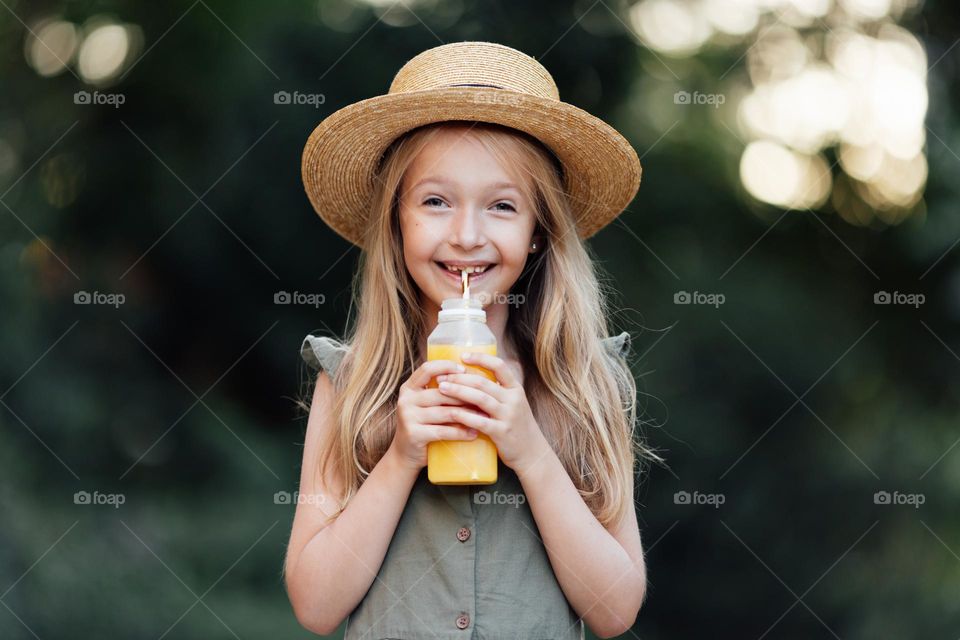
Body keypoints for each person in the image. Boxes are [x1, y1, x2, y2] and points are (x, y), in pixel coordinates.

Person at [284, 41, 662, 639]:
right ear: (395, 219)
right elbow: (315, 605)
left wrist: (530, 450)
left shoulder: (588, 383)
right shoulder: (351, 383)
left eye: (502, 206)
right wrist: (402, 454)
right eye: (435, 201)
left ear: (539, 231)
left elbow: (614, 612)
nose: (466, 235)